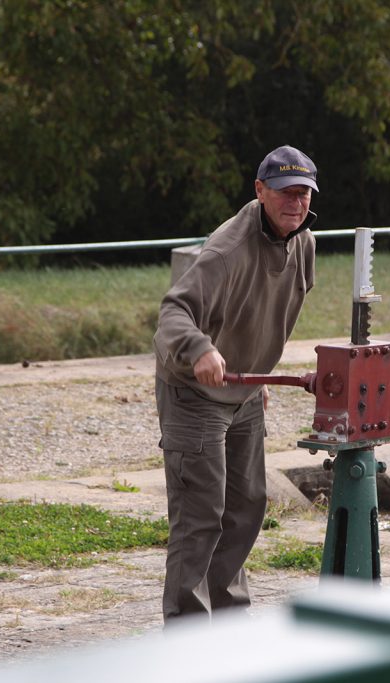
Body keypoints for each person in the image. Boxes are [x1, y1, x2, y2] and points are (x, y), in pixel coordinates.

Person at [153, 145, 318, 624]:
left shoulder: (304, 242)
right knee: (201, 515)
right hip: (194, 392)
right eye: (286, 192)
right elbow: (172, 314)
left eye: (305, 193)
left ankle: (229, 624)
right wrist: (201, 350)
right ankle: (188, 636)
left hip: (244, 390)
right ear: (260, 190)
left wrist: (255, 371)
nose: (297, 202)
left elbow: (265, 311)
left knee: (247, 505)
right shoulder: (226, 251)